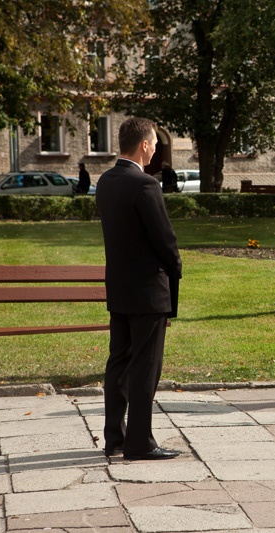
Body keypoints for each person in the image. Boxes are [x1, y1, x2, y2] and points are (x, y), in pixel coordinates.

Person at [96, 117, 183, 461]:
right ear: (145, 145)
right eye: (155, 145)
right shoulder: (146, 185)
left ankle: (115, 438)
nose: (156, 150)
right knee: (146, 366)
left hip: (119, 287)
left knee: (119, 363)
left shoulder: (106, 181)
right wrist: (176, 267)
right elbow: (164, 239)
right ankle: (140, 442)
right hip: (148, 291)